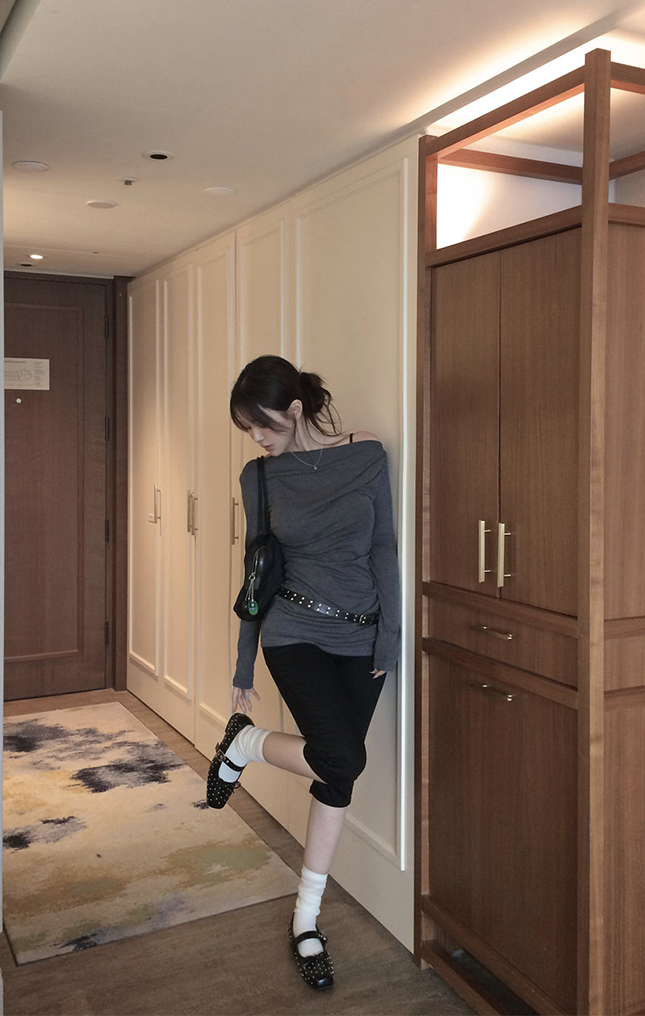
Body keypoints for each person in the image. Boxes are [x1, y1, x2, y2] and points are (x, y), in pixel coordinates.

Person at [206, 354, 401, 990]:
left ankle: (305, 919)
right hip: (294, 632)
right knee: (343, 756)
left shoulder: (367, 455)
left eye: (261, 424)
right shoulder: (260, 479)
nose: (256, 438)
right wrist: (243, 662)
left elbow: (383, 547)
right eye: (247, 428)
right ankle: (245, 743)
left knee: (336, 773)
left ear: (295, 409)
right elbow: (256, 572)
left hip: (362, 636)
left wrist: (390, 639)